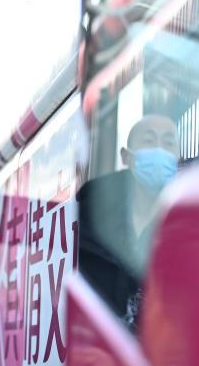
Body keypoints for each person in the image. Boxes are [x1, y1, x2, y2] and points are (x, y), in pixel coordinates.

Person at [77, 114, 180, 329]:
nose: (160, 151)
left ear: (178, 158)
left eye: (169, 143)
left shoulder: (188, 228)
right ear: (126, 157)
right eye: (149, 141)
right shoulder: (87, 223)